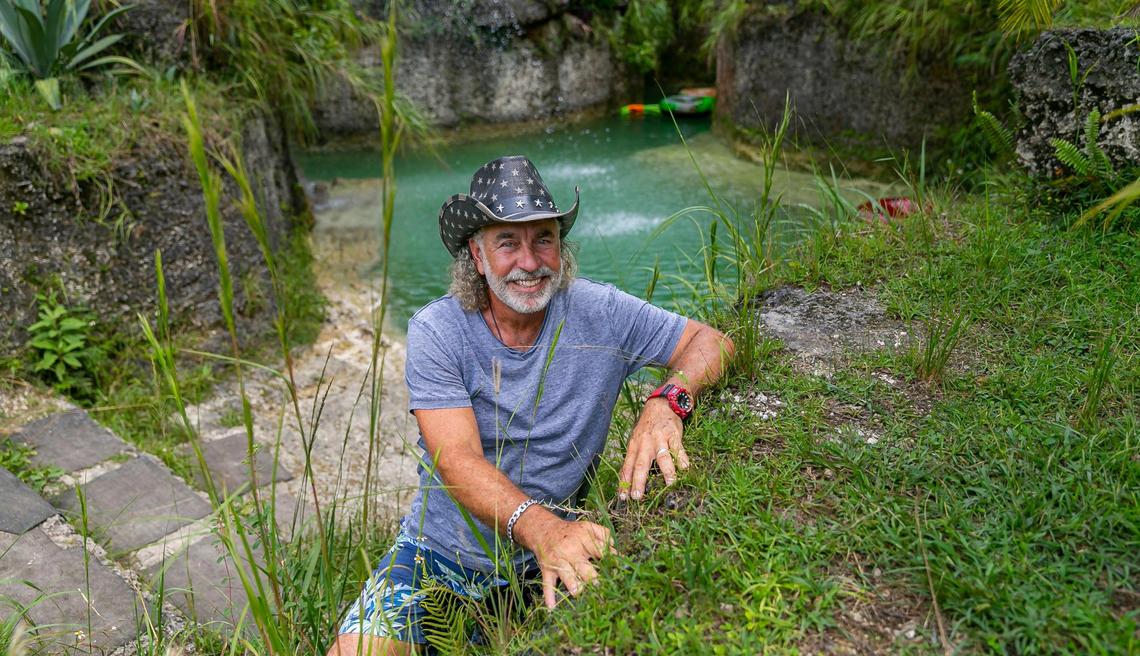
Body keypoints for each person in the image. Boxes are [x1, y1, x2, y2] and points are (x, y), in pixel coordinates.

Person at [328, 155, 733, 655]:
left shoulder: (598, 311)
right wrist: (544, 530)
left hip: (543, 559)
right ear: (476, 257)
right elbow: (455, 459)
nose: (530, 261)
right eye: (507, 242)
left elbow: (712, 342)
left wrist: (667, 401)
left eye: (544, 238)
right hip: (439, 556)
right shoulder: (438, 330)